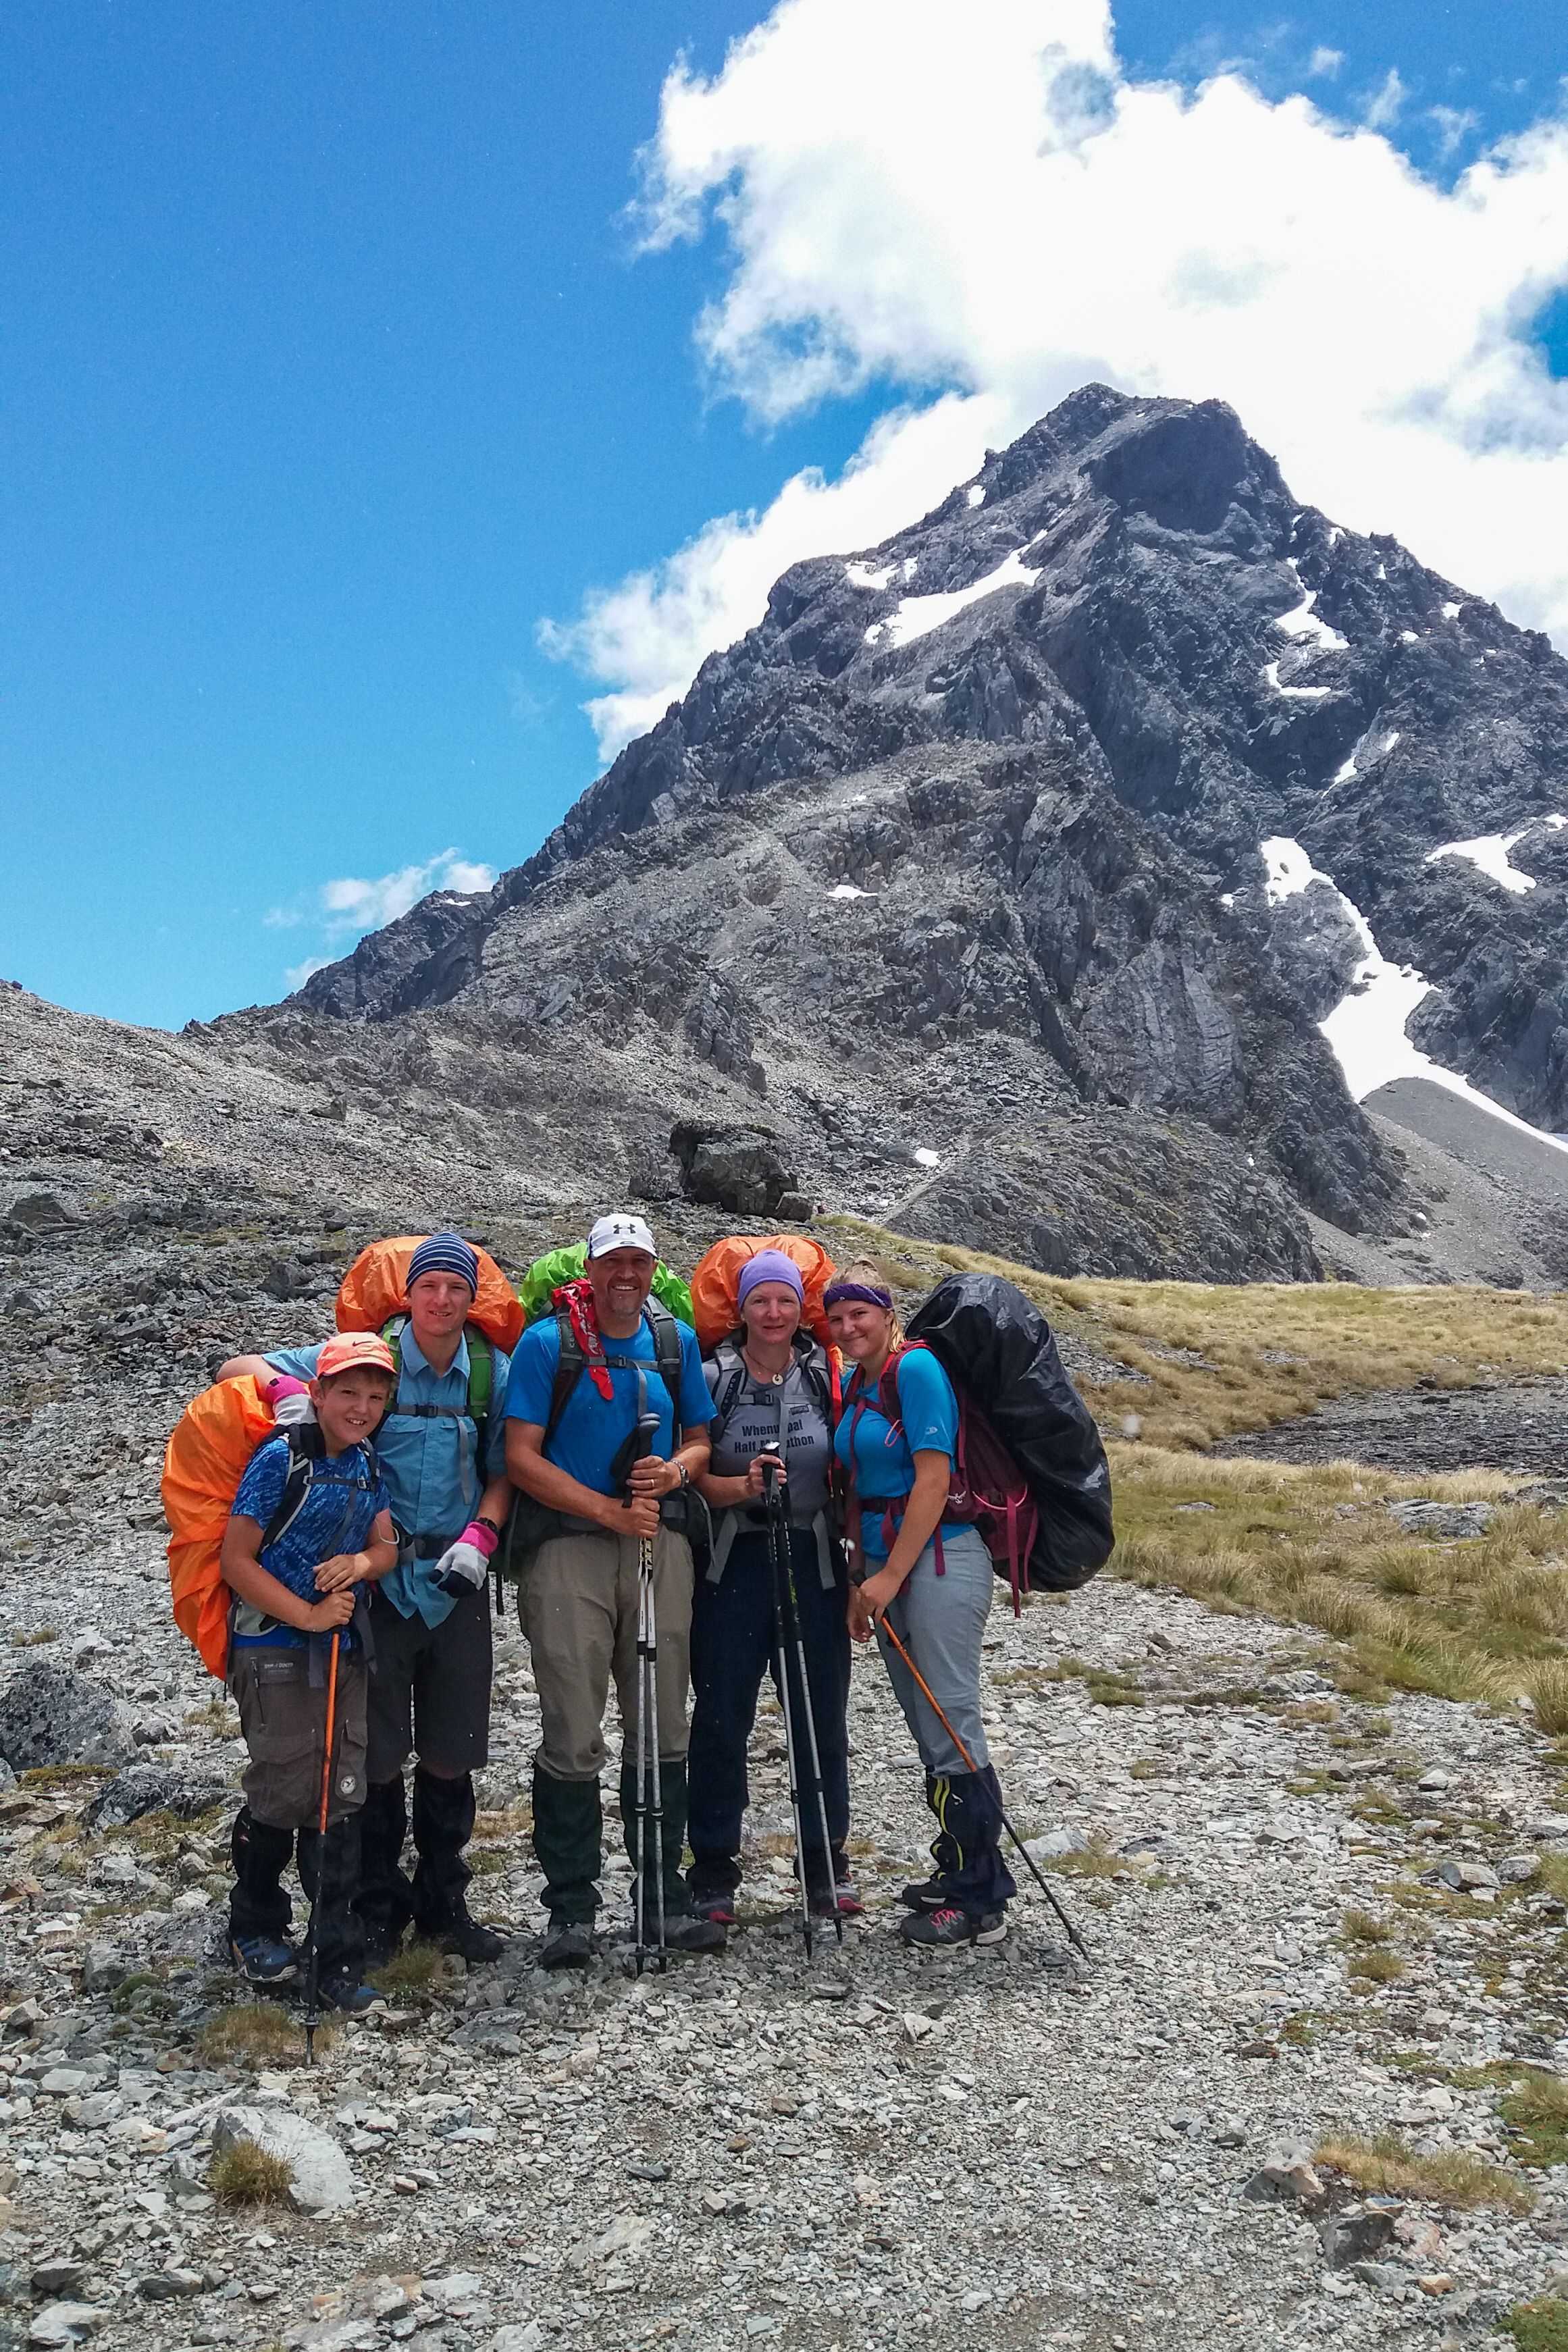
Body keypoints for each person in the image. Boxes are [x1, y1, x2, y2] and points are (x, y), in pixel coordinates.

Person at [218, 1231, 513, 1967]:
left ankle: (444, 1902)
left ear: (471, 1297)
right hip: (374, 1591)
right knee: (373, 1758)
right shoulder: (363, 1357)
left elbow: (511, 1464)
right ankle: (376, 1907)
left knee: (452, 1752)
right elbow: (235, 1367)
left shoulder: (490, 1373)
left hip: (455, 1583)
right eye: (428, 1288)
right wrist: (285, 1390)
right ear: (407, 1295)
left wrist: (482, 1533)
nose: (442, 1301)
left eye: (456, 1288)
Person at [504, 1211, 723, 1966]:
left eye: (638, 1262)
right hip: (569, 1550)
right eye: (612, 1263)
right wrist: (604, 1509)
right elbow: (521, 1457)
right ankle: (571, 1909)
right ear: (589, 1269)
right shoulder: (547, 1344)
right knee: (572, 1725)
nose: (625, 1276)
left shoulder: (674, 1341)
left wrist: (675, 1473)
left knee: (662, 1722)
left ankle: (659, 1896)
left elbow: (701, 1436)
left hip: (659, 1544)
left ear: (652, 1268)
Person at [826, 1258, 1016, 1948]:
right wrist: (862, 1578)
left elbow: (933, 1483)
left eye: (861, 1314)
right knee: (927, 1722)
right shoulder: (858, 1382)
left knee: (951, 1718)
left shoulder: (916, 1371)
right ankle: (958, 1866)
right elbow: (857, 1487)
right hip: (887, 1562)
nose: (849, 1328)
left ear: (887, 1312)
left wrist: (885, 1579)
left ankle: (980, 1901)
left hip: (939, 1559)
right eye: (839, 1317)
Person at [220, 1330, 399, 2012]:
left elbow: (386, 1545)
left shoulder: (365, 1462)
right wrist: (307, 1613)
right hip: (273, 1651)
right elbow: (236, 1562)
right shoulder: (279, 1461)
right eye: (348, 1393)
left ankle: (335, 1955)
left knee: (339, 1789)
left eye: (374, 1396)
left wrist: (360, 1566)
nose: (361, 1407)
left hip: (340, 1651)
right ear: (317, 1394)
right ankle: (255, 1924)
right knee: (285, 1785)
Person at [685, 1249, 857, 1927]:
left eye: (785, 1300)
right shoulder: (712, 1378)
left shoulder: (826, 1373)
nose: (775, 1313)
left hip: (814, 1559)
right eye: (761, 1301)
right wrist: (742, 1487)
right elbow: (690, 1471)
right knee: (722, 1717)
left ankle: (825, 1864)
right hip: (733, 1563)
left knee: (819, 1717)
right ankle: (713, 1869)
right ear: (743, 1308)